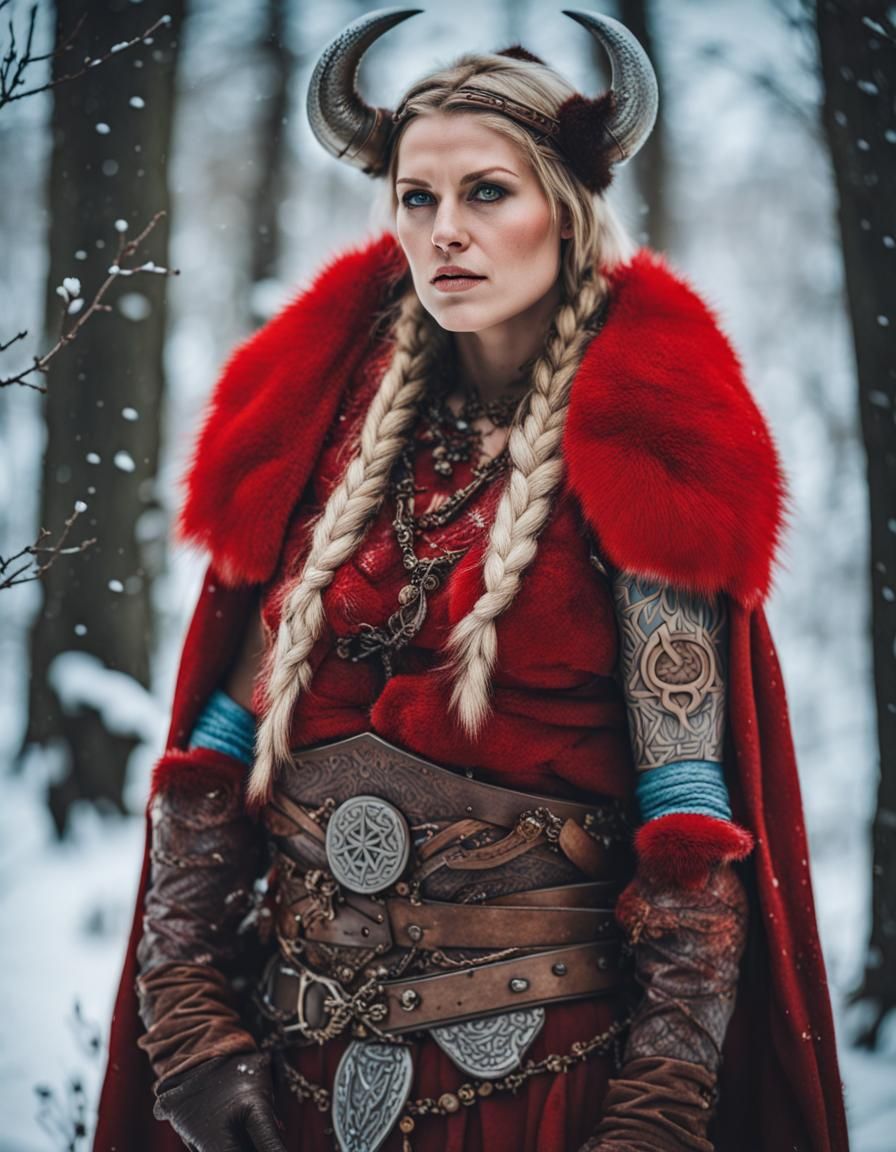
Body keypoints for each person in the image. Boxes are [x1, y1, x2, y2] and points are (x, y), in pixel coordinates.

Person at [93, 9, 849, 1152]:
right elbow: (218, 751)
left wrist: (658, 1107)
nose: (443, 229)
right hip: (294, 1063)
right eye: (416, 197)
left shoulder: (637, 437)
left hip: (541, 1079)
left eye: (486, 192)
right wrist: (187, 1011)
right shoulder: (333, 419)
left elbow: (688, 827)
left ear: (566, 209)